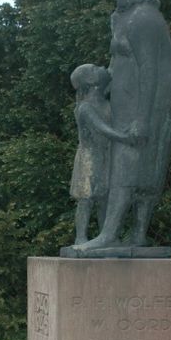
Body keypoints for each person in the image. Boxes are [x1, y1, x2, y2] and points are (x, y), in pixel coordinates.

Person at [75, 0, 171, 251]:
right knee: (127, 159)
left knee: (136, 160)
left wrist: (143, 118)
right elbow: (116, 62)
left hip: (149, 98)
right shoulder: (122, 17)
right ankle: (122, 234)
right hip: (126, 96)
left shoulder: (145, 19)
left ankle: (117, 233)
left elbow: (150, 69)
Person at [69, 64, 118, 245]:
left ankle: (105, 236)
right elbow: (102, 128)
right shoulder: (85, 107)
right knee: (86, 198)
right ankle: (81, 237)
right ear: (90, 81)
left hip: (105, 157)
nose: (102, 67)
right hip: (88, 159)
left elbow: (113, 70)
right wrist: (125, 137)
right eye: (95, 68)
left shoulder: (106, 103)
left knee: (104, 198)